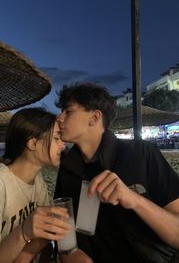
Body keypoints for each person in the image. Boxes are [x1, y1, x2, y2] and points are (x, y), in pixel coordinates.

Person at [0, 107, 92, 263]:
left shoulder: (38, 180)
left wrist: (26, 254)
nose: (62, 145)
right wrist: (23, 233)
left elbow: (45, 232)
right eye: (56, 138)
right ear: (33, 143)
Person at [54, 83, 179, 263]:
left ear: (94, 117)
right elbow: (65, 232)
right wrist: (70, 253)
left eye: (68, 111)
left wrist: (135, 200)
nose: (59, 118)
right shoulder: (68, 168)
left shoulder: (141, 153)